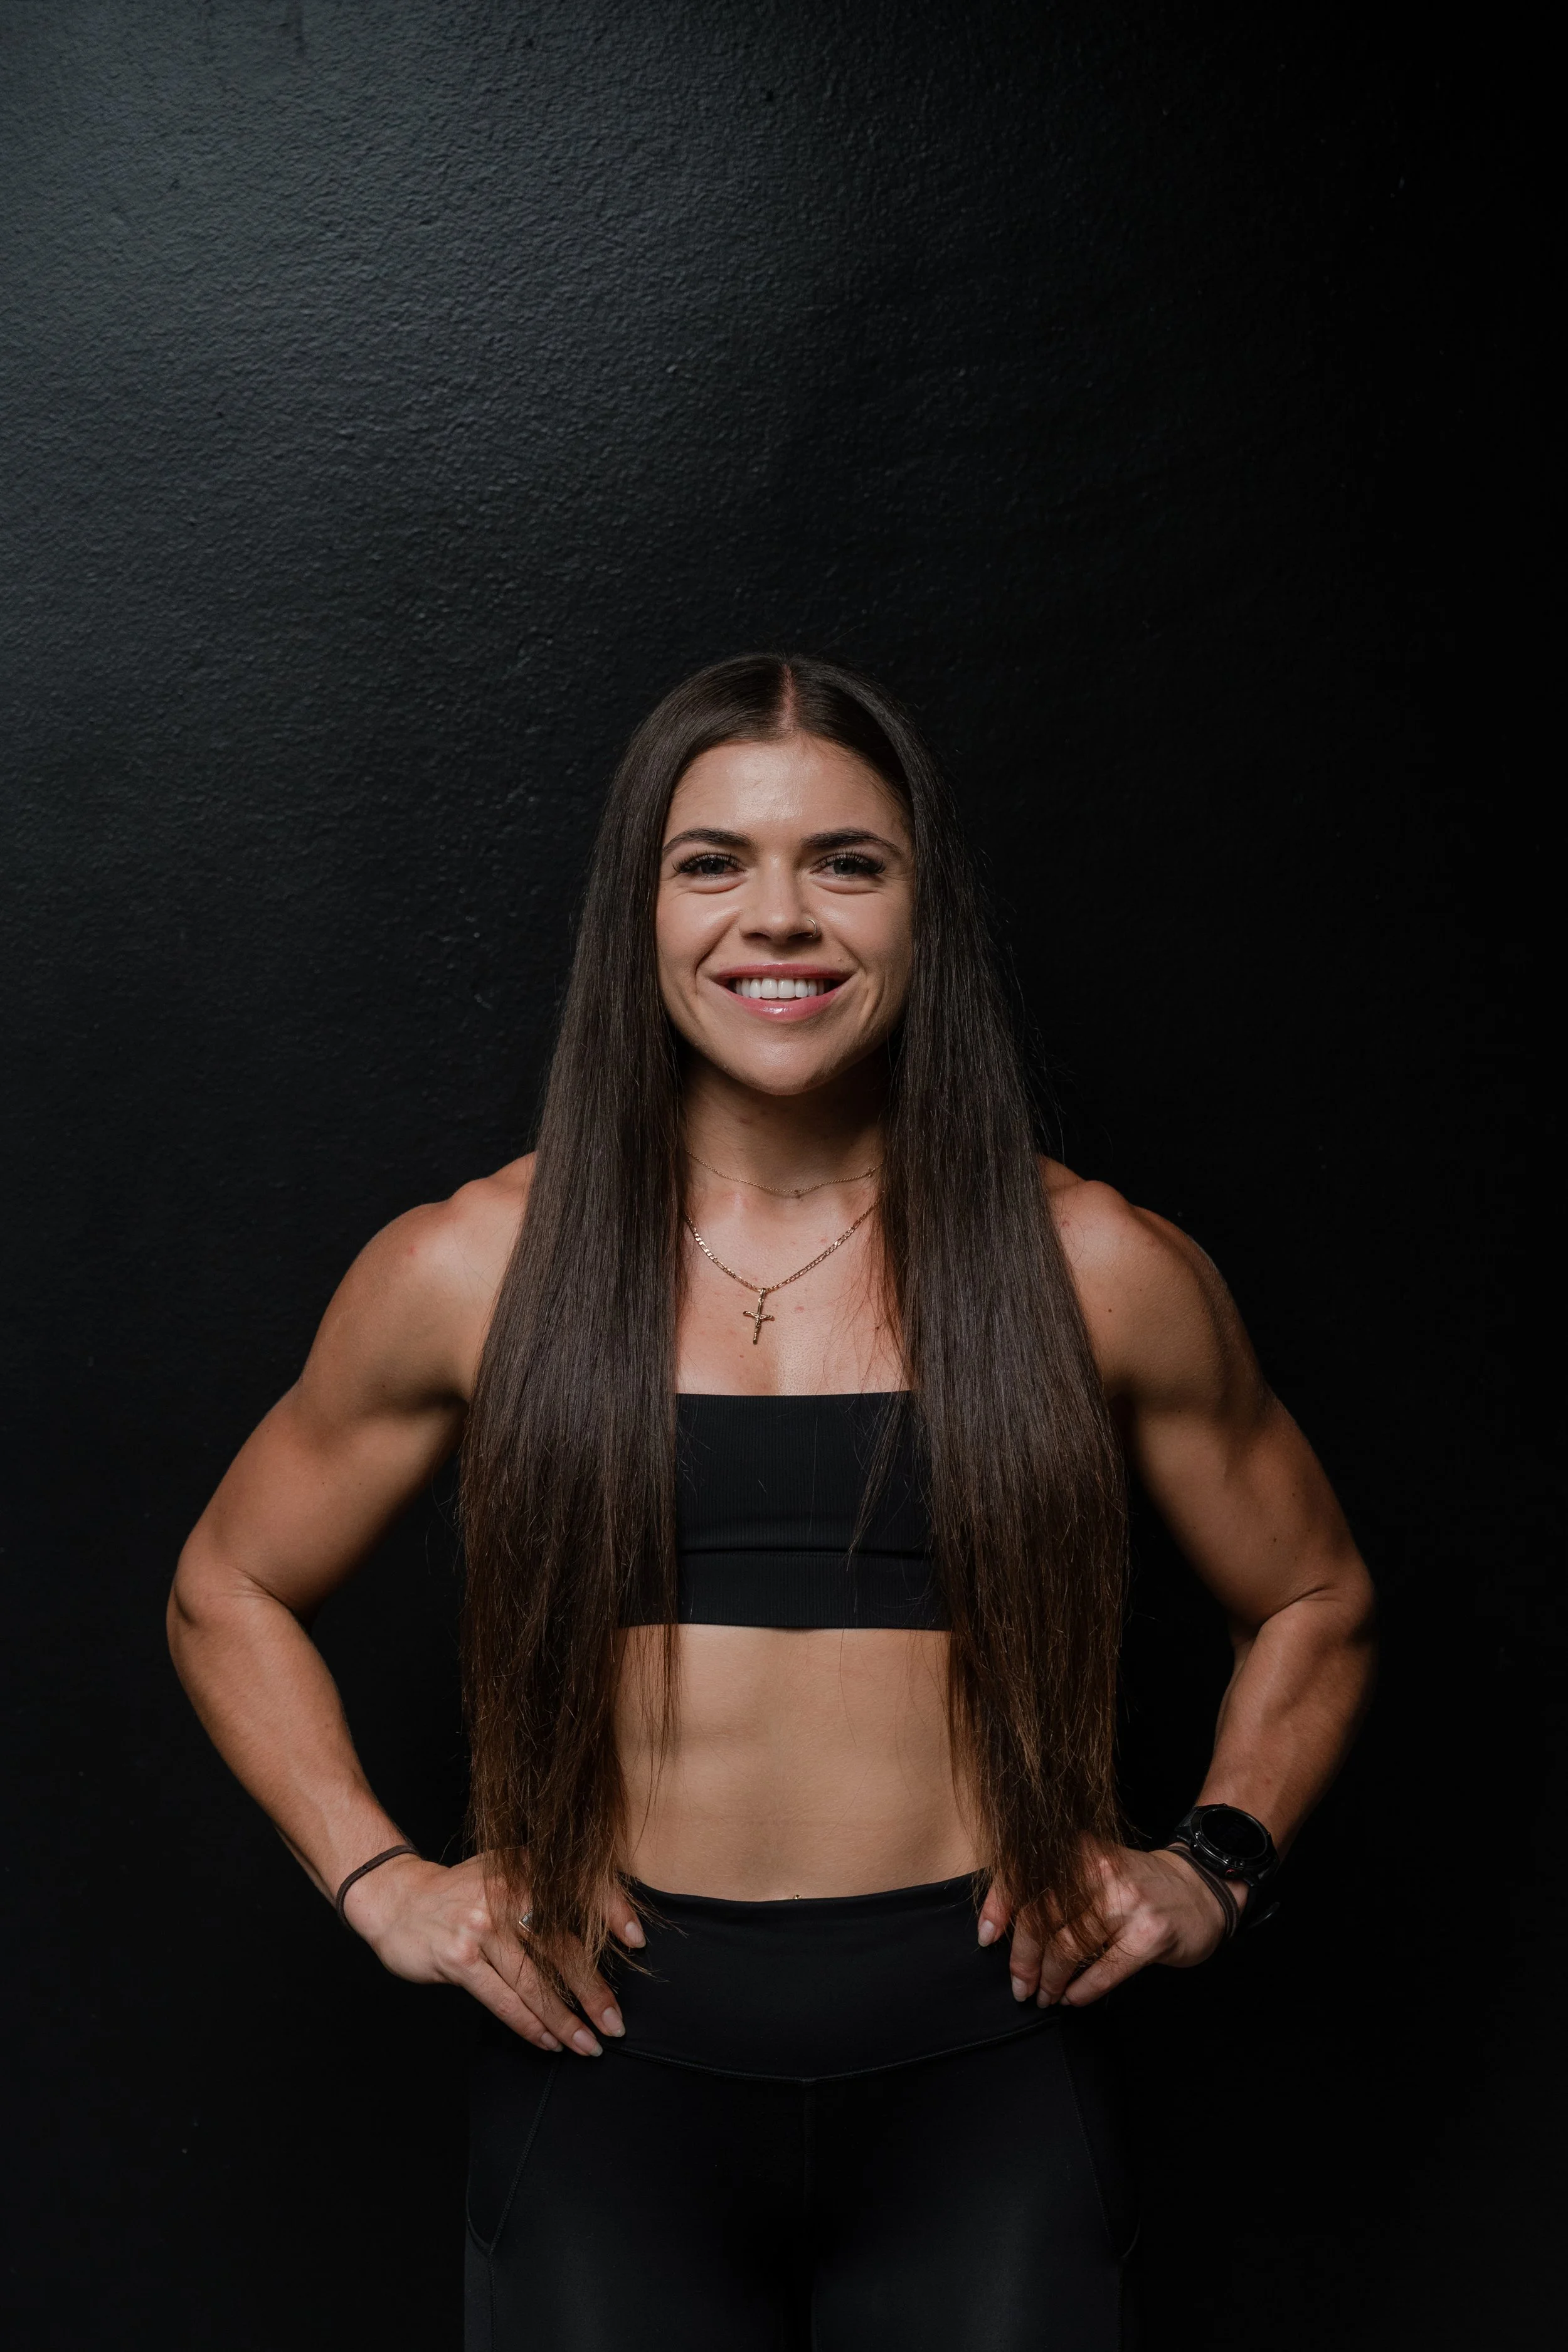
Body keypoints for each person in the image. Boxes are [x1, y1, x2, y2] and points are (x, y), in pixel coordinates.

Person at [169, 654, 1375, 2350]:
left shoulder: (1093, 1264)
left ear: (916, 909)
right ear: (642, 910)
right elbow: (226, 1583)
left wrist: (1211, 1860)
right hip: (603, 2076)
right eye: (715, 861)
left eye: (847, 862)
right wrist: (385, 1881)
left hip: (983, 2076)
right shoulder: (473, 1266)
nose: (781, 918)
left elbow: (1316, 1596)